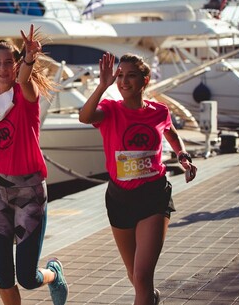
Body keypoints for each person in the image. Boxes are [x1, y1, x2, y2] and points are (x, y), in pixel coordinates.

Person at [78, 52, 197, 305]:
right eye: (120, 76)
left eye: (131, 75)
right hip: (119, 198)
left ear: (145, 80)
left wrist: (182, 155)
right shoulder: (109, 110)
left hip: (153, 196)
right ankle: (150, 298)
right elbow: (85, 117)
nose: (123, 81)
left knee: (142, 276)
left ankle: (146, 294)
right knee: (134, 275)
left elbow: (172, 133)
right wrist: (102, 85)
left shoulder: (158, 111)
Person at [0, 24, 68, 305]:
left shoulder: (25, 93)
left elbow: (24, 79)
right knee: (3, 276)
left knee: (27, 277)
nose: (2, 68)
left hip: (30, 191)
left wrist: (30, 58)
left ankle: (53, 275)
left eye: (8, 62)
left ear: (16, 65)